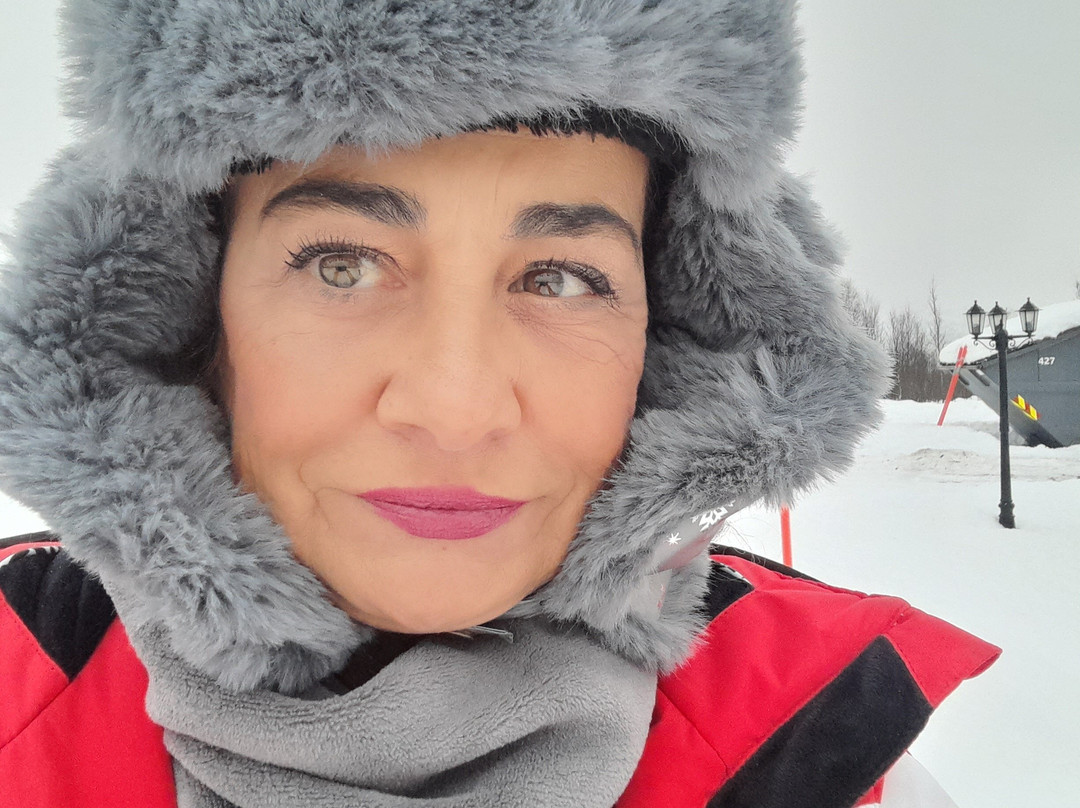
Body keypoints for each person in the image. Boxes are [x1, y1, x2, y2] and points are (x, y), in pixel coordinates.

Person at [0, 1, 998, 806]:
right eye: (343, 264)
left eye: (561, 278)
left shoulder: (821, 743)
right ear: (191, 320)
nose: (456, 409)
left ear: (667, 344)